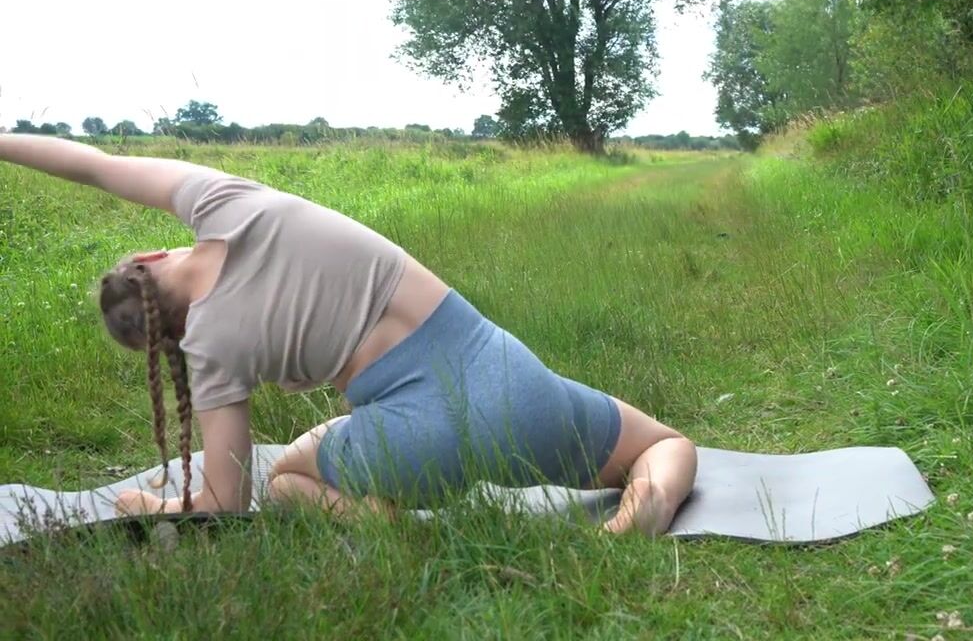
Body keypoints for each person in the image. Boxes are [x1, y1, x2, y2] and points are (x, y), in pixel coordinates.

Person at [0, 133, 697, 535]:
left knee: (286, 479)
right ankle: (639, 512)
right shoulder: (223, 200)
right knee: (664, 444)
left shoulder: (210, 350)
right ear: (152, 258)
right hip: (512, 381)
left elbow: (225, 504)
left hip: (411, 447)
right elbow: (91, 165)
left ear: (166, 341)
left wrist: (151, 504)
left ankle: (385, 525)